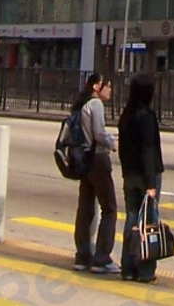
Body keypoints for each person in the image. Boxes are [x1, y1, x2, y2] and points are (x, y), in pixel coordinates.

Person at [118, 73, 164, 282]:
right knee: (148, 222)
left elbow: (123, 150)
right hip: (146, 175)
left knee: (132, 218)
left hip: (130, 174)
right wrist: (151, 184)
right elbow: (148, 150)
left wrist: (127, 172)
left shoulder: (126, 116)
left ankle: (128, 267)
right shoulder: (146, 117)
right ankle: (145, 269)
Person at [71, 73, 118, 274]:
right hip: (98, 158)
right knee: (109, 208)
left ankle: (82, 255)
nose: (110, 90)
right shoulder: (96, 104)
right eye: (108, 86)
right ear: (98, 86)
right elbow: (99, 133)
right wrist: (112, 143)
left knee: (86, 207)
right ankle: (102, 258)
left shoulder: (82, 104)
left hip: (85, 159)